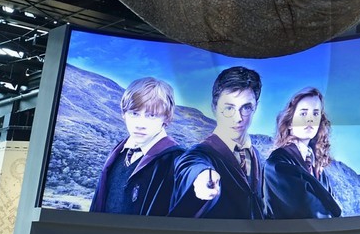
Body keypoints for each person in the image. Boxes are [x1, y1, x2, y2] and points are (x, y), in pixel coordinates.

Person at [171, 67, 267, 218]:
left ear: (255, 107)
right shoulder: (201, 153)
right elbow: (190, 165)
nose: (238, 118)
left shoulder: (254, 154)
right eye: (229, 108)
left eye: (246, 108)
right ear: (214, 107)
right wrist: (201, 176)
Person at [93, 77, 182, 216]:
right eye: (134, 113)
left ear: (166, 118)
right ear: (124, 114)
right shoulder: (118, 153)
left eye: (151, 115)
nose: (140, 124)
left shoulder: (176, 160)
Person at [266, 87, 344, 219]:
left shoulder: (320, 170)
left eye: (315, 113)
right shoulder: (276, 164)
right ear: (290, 122)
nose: (310, 119)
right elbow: (308, 211)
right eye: (303, 113)